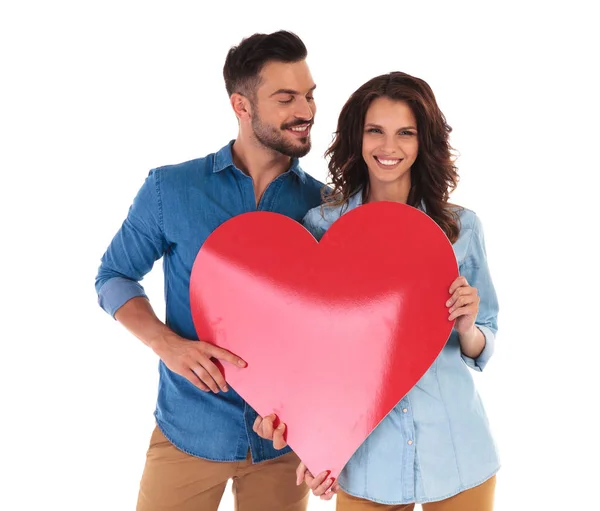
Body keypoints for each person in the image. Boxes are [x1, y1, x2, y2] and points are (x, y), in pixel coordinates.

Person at [95, 30, 324, 511]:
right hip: (187, 431)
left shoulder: (324, 209)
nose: (304, 110)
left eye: (308, 95)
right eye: (286, 98)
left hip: (284, 444)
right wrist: (167, 345)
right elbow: (114, 276)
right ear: (242, 107)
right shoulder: (170, 189)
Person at [254, 71, 500, 510]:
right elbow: (313, 359)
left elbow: (484, 337)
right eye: (376, 131)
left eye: (405, 133)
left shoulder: (461, 228)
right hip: (366, 460)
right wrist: (315, 444)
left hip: (457, 451)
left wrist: (467, 327)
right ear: (357, 137)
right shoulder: (321, 229)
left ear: (423, 141)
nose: (390, 148)